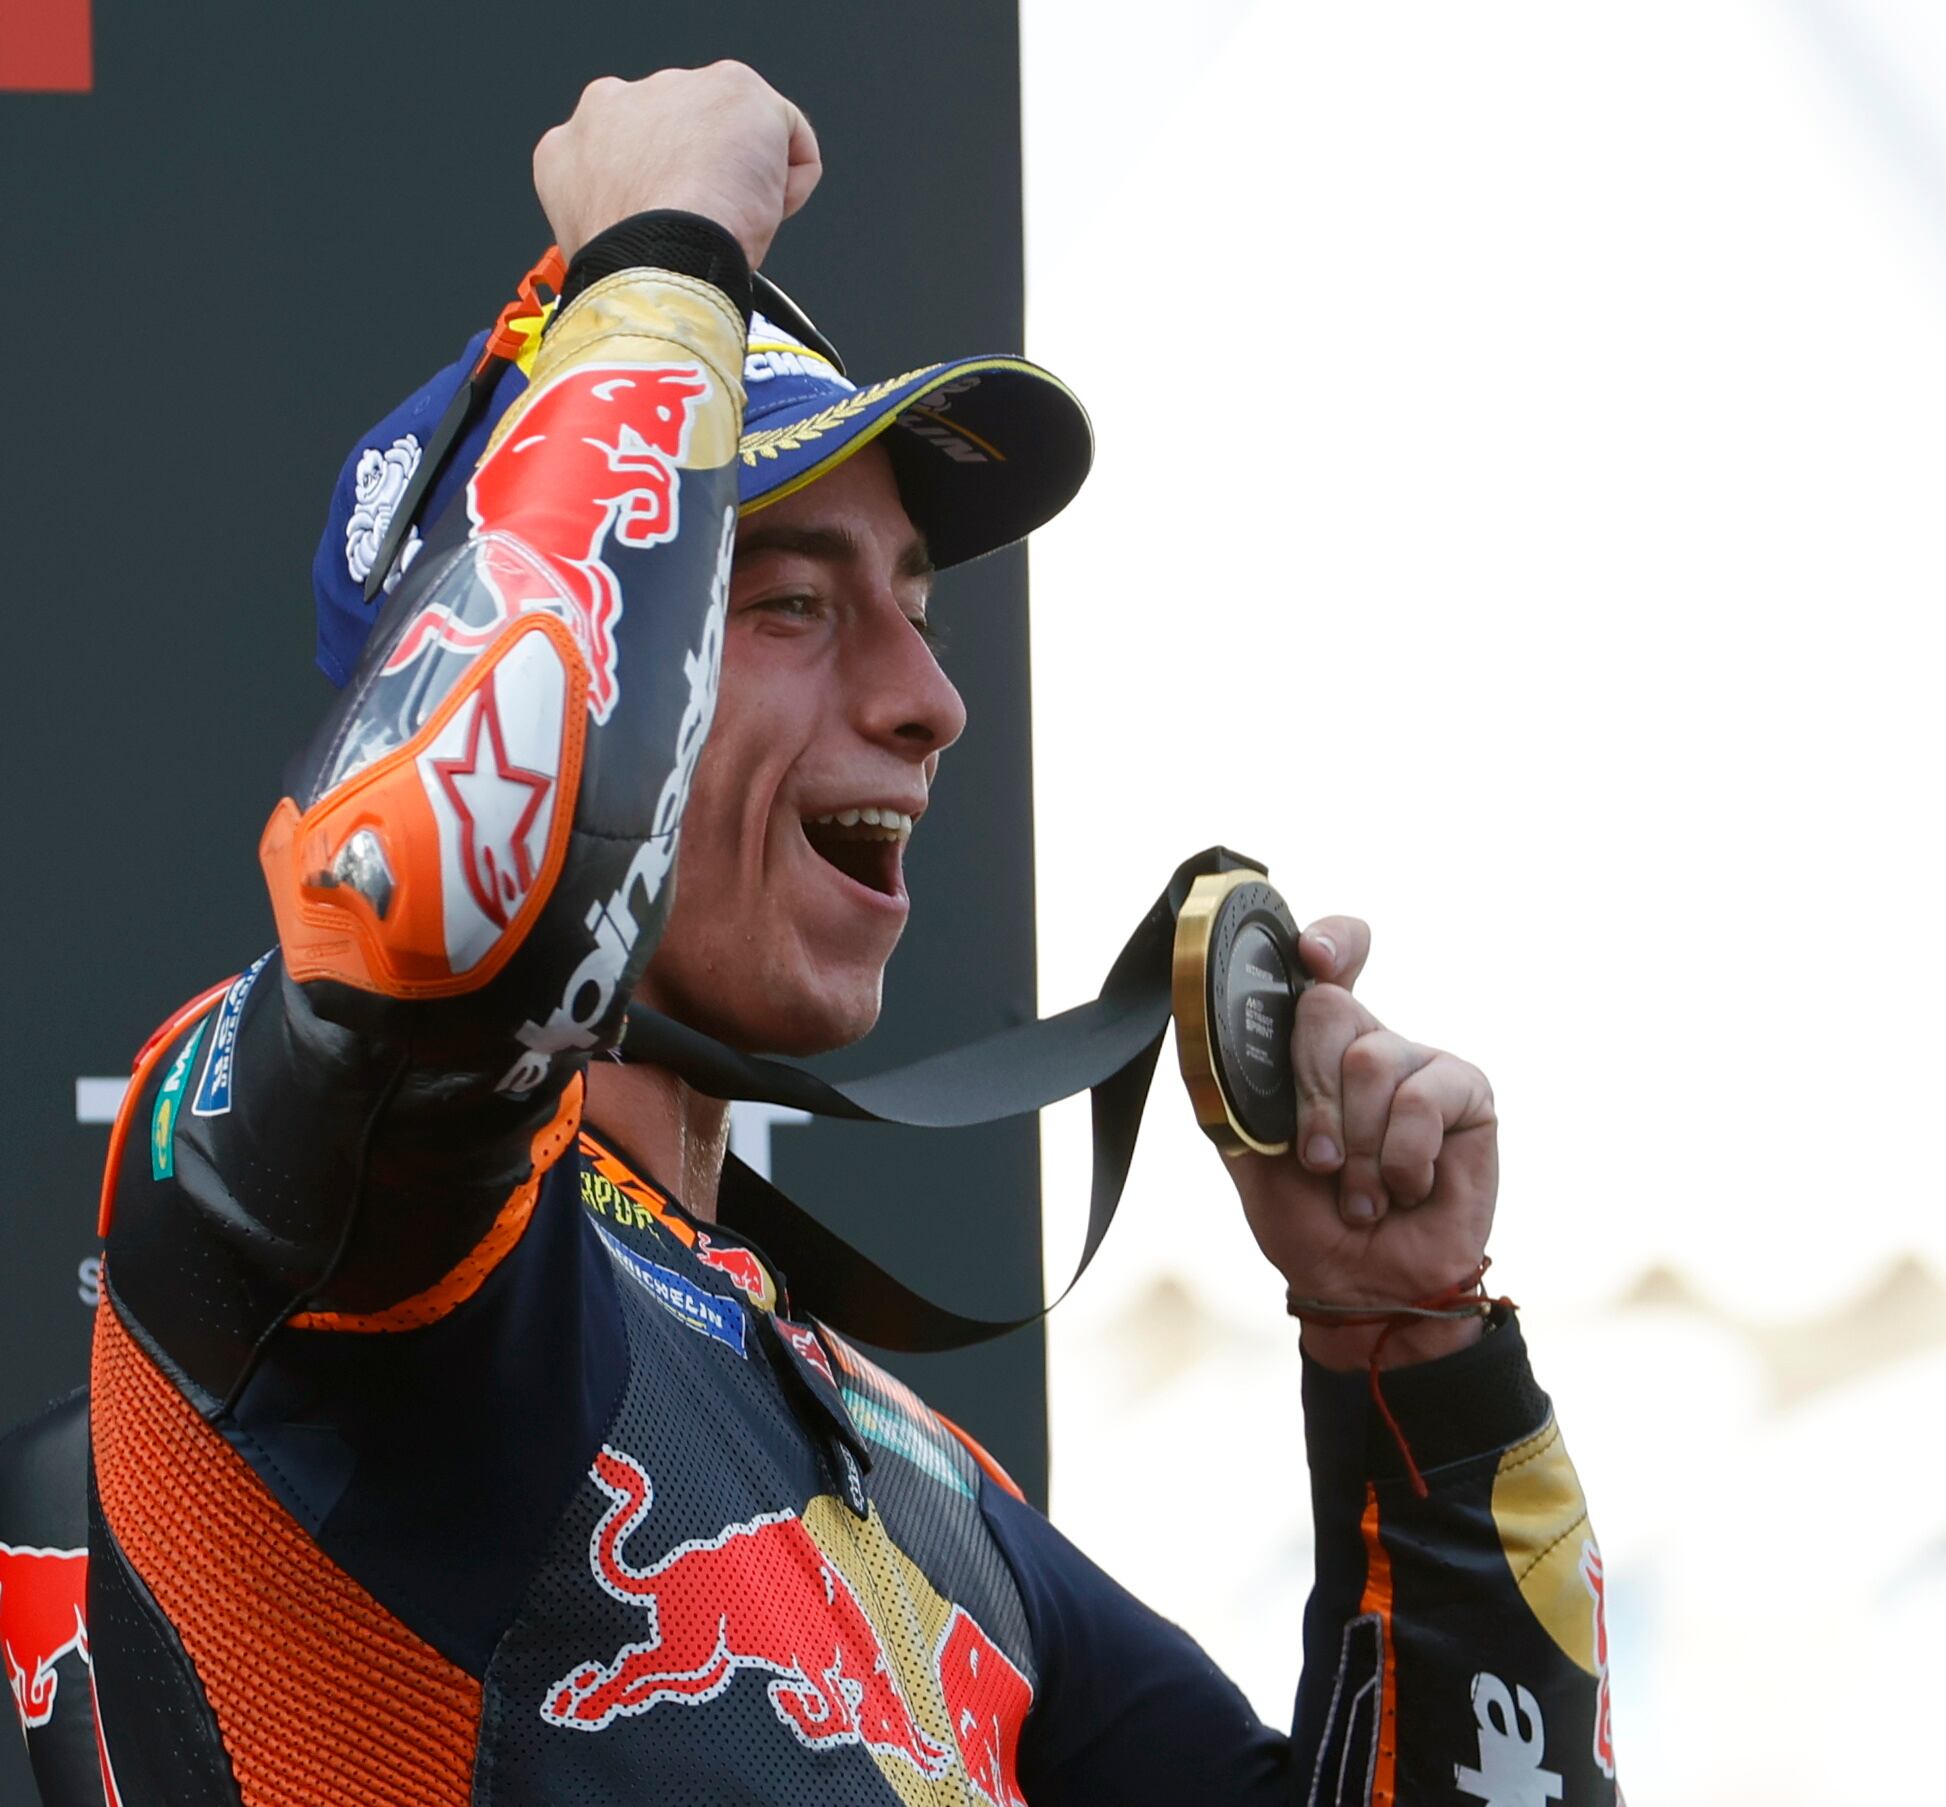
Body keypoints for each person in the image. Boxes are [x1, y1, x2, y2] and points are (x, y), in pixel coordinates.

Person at [60, 63, 1617, 1806]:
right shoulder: (312, 1220)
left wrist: (1413, 1361)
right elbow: (453, 901)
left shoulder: (921, 1493)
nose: (932, 698)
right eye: (793, 599)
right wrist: (659, 263)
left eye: (918, 610)